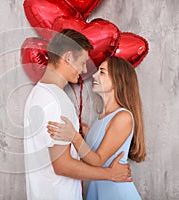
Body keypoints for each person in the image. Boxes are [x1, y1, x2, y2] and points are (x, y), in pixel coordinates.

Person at [23, 29, 132, 200]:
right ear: (67, 58)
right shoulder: (57, 101)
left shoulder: (36, 94)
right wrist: (110, 174)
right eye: (82, 62)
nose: (83, 70)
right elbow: (63, 166)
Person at [47, 56, 146, 200]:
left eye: (102, 72)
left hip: (116, 193)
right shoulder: (101, 118)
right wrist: (86, 134)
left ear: (118, 80)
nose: (94, 75)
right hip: (101, 189)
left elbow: (98, 160)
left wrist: (75, 137)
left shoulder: (123, 117)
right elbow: (93, 155)